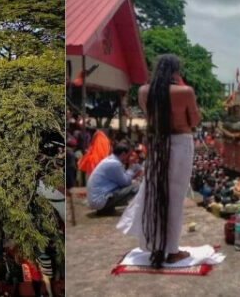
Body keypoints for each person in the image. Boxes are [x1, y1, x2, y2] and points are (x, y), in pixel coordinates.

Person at [117, 54, 201, 268]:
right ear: (176, 71)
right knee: (175, 197)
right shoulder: (185, 92)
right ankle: (172, 250)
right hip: (181, 144)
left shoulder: (145, 92)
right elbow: (194, 120)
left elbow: (150, 115)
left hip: (156, 145)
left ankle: (155, 246)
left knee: (155, 194)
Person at [86, 142, 142, 215]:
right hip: (100, 200)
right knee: (137, 187)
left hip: (97, 199)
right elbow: (126, 182)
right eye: (129, 155)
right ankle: (137, 211)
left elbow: (123, 178)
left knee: (133, 185)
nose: (130, 157)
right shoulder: (114, 163)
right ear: (123, 154)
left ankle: (107, 209)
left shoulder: (110, 160)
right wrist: (131, 167)